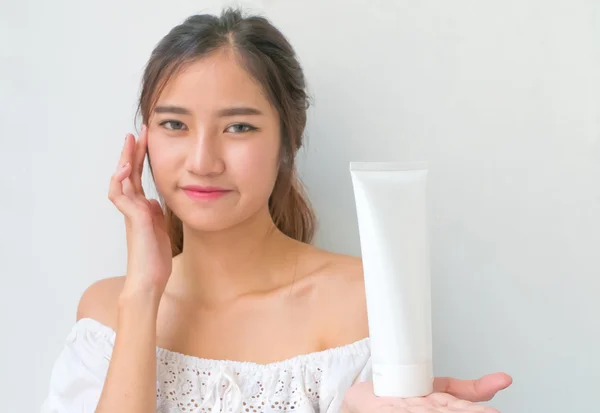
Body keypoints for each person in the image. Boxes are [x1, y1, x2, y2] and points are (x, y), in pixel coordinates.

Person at [41, 8, 512, 413]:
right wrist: (142, 293)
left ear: (288, 141)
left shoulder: (361, 300)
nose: (203, 161)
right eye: (174, 124)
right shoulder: (106, 314)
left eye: (239, 126)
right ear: (144, 142)